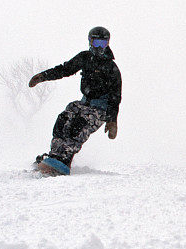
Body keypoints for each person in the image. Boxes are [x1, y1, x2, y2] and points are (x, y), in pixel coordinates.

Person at [29, 26, 122, 176]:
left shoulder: (111, 68)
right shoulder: (85, 58)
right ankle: (55, 155)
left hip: (100, 108)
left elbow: (115, 96)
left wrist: (112, 120)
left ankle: (65, 158)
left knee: (78, 125)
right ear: (90, 42)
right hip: (84, 102)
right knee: (64, 119)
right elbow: (64, 69)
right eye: (96, 42)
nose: (99, 47)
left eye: (103, 44)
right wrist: (43, 76)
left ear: (108, 44)